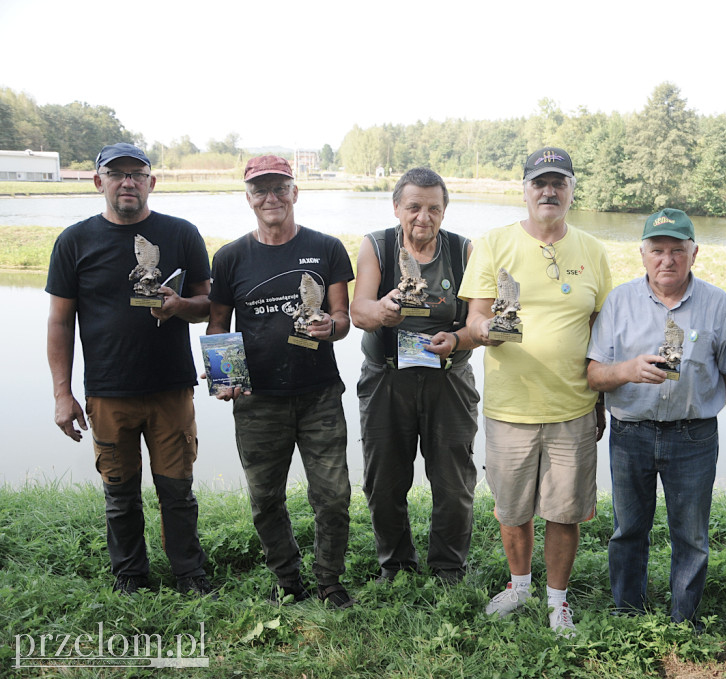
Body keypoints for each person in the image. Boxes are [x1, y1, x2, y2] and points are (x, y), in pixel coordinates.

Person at [46, 142, 214, 596]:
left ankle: (189, 574)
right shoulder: (73, 241)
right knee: (120, 495)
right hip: (107, 391)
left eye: (137, 174)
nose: (127, 182)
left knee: (177, 491)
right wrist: (63, 394)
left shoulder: (181, 233)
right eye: (116, 174)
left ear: (151, 182)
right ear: (98, 181)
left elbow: (208, 305)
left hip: (170, 389)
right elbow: (60, 322)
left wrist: (179, 305)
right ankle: (131, 577)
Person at [460, 147, 612, 636]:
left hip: (573, 406)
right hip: (510, 406)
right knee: (512, 508)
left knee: (564, 511)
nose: (549, 191)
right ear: (524, 188)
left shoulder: (592, 249)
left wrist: (601, 400)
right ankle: (519, 586)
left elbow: (601, 330)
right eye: (539, 183)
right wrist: (486, 330)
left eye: (559, 183)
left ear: (571, 189)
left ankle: (557, 601)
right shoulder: (493, 243)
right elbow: (475, 317)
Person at [206, 155, 355, 608]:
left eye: (279, 188)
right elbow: (217, 327)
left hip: (319, 396)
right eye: (260, 189)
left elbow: (344, 318)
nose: (270, 197)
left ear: (295, 192)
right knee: (265, 498)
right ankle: (287, 579)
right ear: (248, 198)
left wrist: (332, 327)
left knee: (332, 497)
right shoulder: (230, 257)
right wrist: (221, 376)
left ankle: (328, 579)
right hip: (257, 399)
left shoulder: (327, 248)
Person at [586, 208, 726, 625]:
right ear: (642, 254)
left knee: (691, 536)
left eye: (678, 249)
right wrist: (627, 371)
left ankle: (684, 618)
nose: (667, 260)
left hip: (693, 437)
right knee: (627, 531)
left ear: (695, 253)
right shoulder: (619, 302)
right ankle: (626, 612)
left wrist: (698, 404)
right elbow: (593, 374)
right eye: (657, 250)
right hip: (631, 432)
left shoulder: (718, 303)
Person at [350, 167, 479, 585]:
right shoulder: (377, 245)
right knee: (384, 480)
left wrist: (456, 340)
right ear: (396, 208)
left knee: (454, 482)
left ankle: (448, 569)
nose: (424, 217)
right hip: (387, 378)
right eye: (414, 207)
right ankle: (396, 566)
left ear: (444, 211)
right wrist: (383, 310)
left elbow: (480, 325)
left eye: (433, 208)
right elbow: (358, 312)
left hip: (449, 379)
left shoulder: (463, 251)